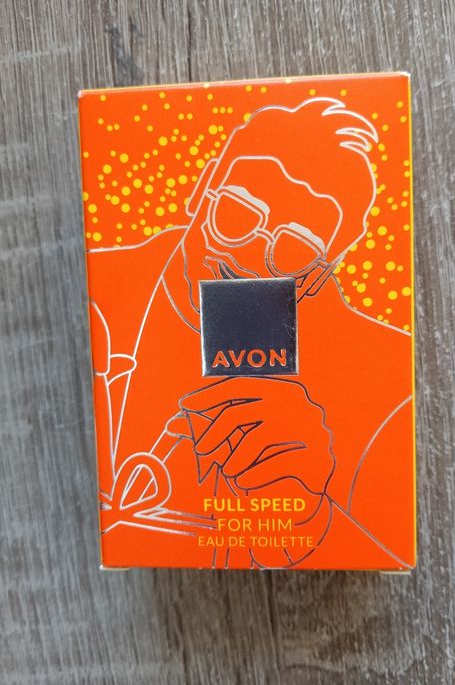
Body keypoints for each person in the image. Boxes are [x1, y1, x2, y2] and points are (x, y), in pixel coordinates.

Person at [88, 98, 413, 569]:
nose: (245, 261)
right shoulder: (100, 295)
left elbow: (390, 554)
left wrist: (310, 514)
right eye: (237, 215)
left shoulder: (388, 386)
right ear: (202, 191)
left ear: (320, 277)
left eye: (294, 249)